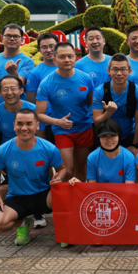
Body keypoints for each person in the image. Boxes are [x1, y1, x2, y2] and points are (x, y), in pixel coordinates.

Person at [0, 109, 65, 246]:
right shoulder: (3, 150)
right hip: (18, 198)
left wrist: (59, 179)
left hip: (44, 195)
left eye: (29, 123)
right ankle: (23, 223)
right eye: (19, 124)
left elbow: (62, 169)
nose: (24, 128)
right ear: (14, 125)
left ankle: (64, 232)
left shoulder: (49, 148)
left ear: (37, 125)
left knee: (65, 194)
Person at [0, 75, 46, 226]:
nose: (10, 92)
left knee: (42, 181)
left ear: (21, 90)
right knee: (5, 188)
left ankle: (39, 212)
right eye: (5, 89)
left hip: (34, 153)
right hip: (10, 157)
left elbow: (41, 136)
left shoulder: (33, 109)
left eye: (13, 88)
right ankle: (18, 216)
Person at [35, 42, 95, 183]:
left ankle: (79, 195)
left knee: (81, 167)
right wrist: (58, 122)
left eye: (70, 56)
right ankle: (64, 195)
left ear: (76, 58)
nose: (67, 60)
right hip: (62, 131)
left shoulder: (86, 78)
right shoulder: (47, 83)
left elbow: (89, 101)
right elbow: (39, 114)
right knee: (67, 170)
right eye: (62, 57)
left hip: (84, 128)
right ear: (54, 59)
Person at [91, 53, 138, 156]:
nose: (119, 73)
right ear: (109, 71)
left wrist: (134, 144)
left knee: (136, 160)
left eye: (123, 69)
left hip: (129, 135)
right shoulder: (100, 92)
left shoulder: (137, 92)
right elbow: (96, 122)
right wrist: (108, 113)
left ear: (129, 71)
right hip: (106, 135)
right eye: (115, 69)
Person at [70, 120, 137, 184]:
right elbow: (92, 186)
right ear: (99, 139)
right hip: (101, 192)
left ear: (119, 136)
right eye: (104, 136)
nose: (109, 140)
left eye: (113, 135)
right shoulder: (92, 157)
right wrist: (80, 185)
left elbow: (129, 187)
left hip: (122, 192)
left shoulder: (129, 158)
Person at [0, 23, 34, 107]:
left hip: (16, 110)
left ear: (22, 39)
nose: (12, 39)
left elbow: (20, 85)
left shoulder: (27, 61)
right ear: (2, 38)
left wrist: (14, 73)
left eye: (16, 36)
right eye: (8, 36)